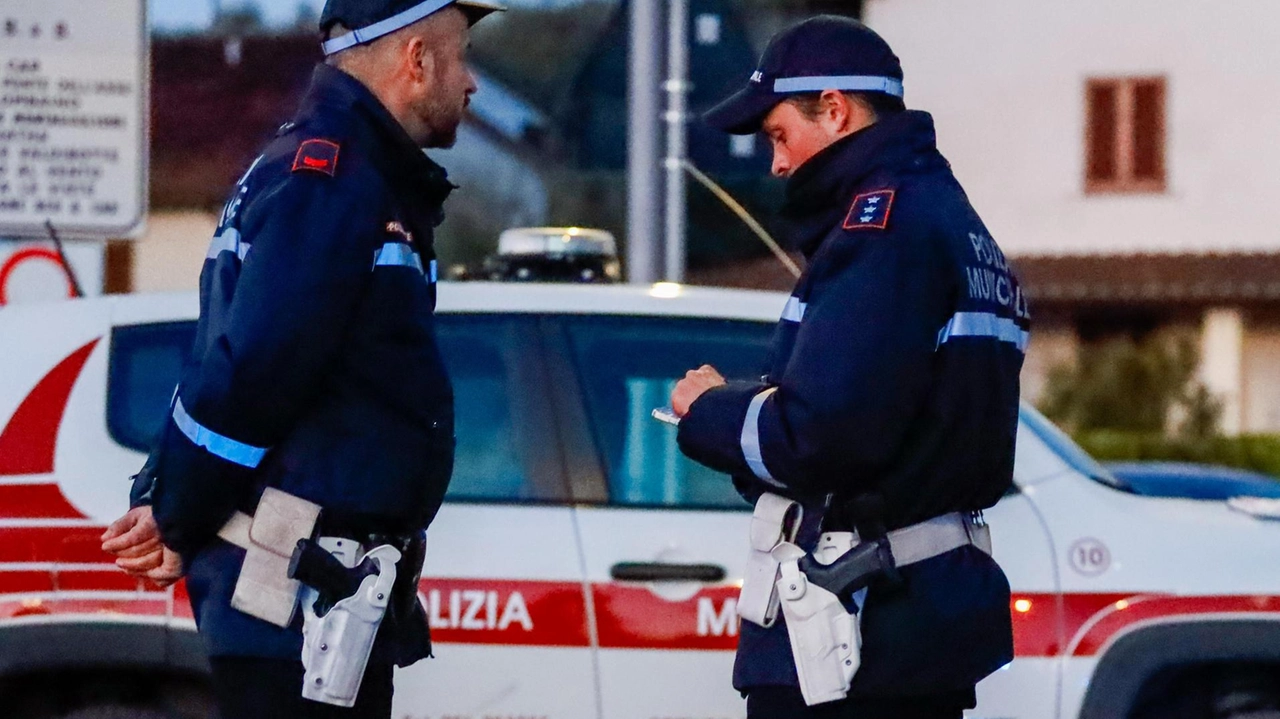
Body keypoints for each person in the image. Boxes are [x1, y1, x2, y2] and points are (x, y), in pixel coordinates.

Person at [100, 0, 501, 716]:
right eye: (461, 56)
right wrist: (175, 511)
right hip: (297, 604)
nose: (470, 83)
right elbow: (253, 370)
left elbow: (223, 356)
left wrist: (167, 497)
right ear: (416, 61)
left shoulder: (312, 170)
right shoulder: (336, 183)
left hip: (312, 603)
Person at [671, 16, 1029, 719]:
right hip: (915, 622)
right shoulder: (956, 226)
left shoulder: (882, 231)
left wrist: (707, 410)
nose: (775, 163)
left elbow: (821, 436)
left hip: (856, 632)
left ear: (834, 111)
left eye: (779, 134)